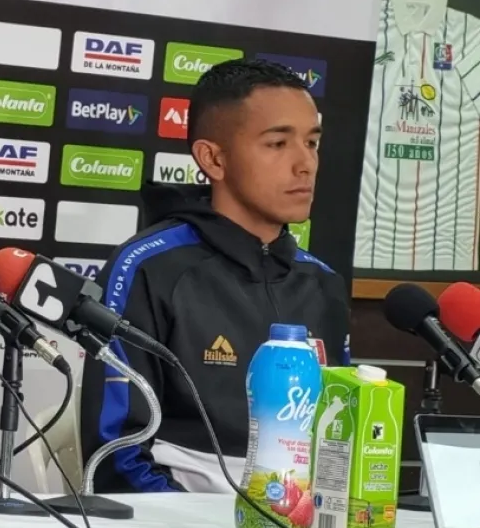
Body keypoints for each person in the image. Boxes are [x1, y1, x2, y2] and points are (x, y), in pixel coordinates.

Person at [79, 59, 351, 494]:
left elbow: (339, 441)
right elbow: (116, 453)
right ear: (213, 158)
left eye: (312, 142)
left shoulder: (322, 282)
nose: (306, 164)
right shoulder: (146, 267)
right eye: (278, 143)